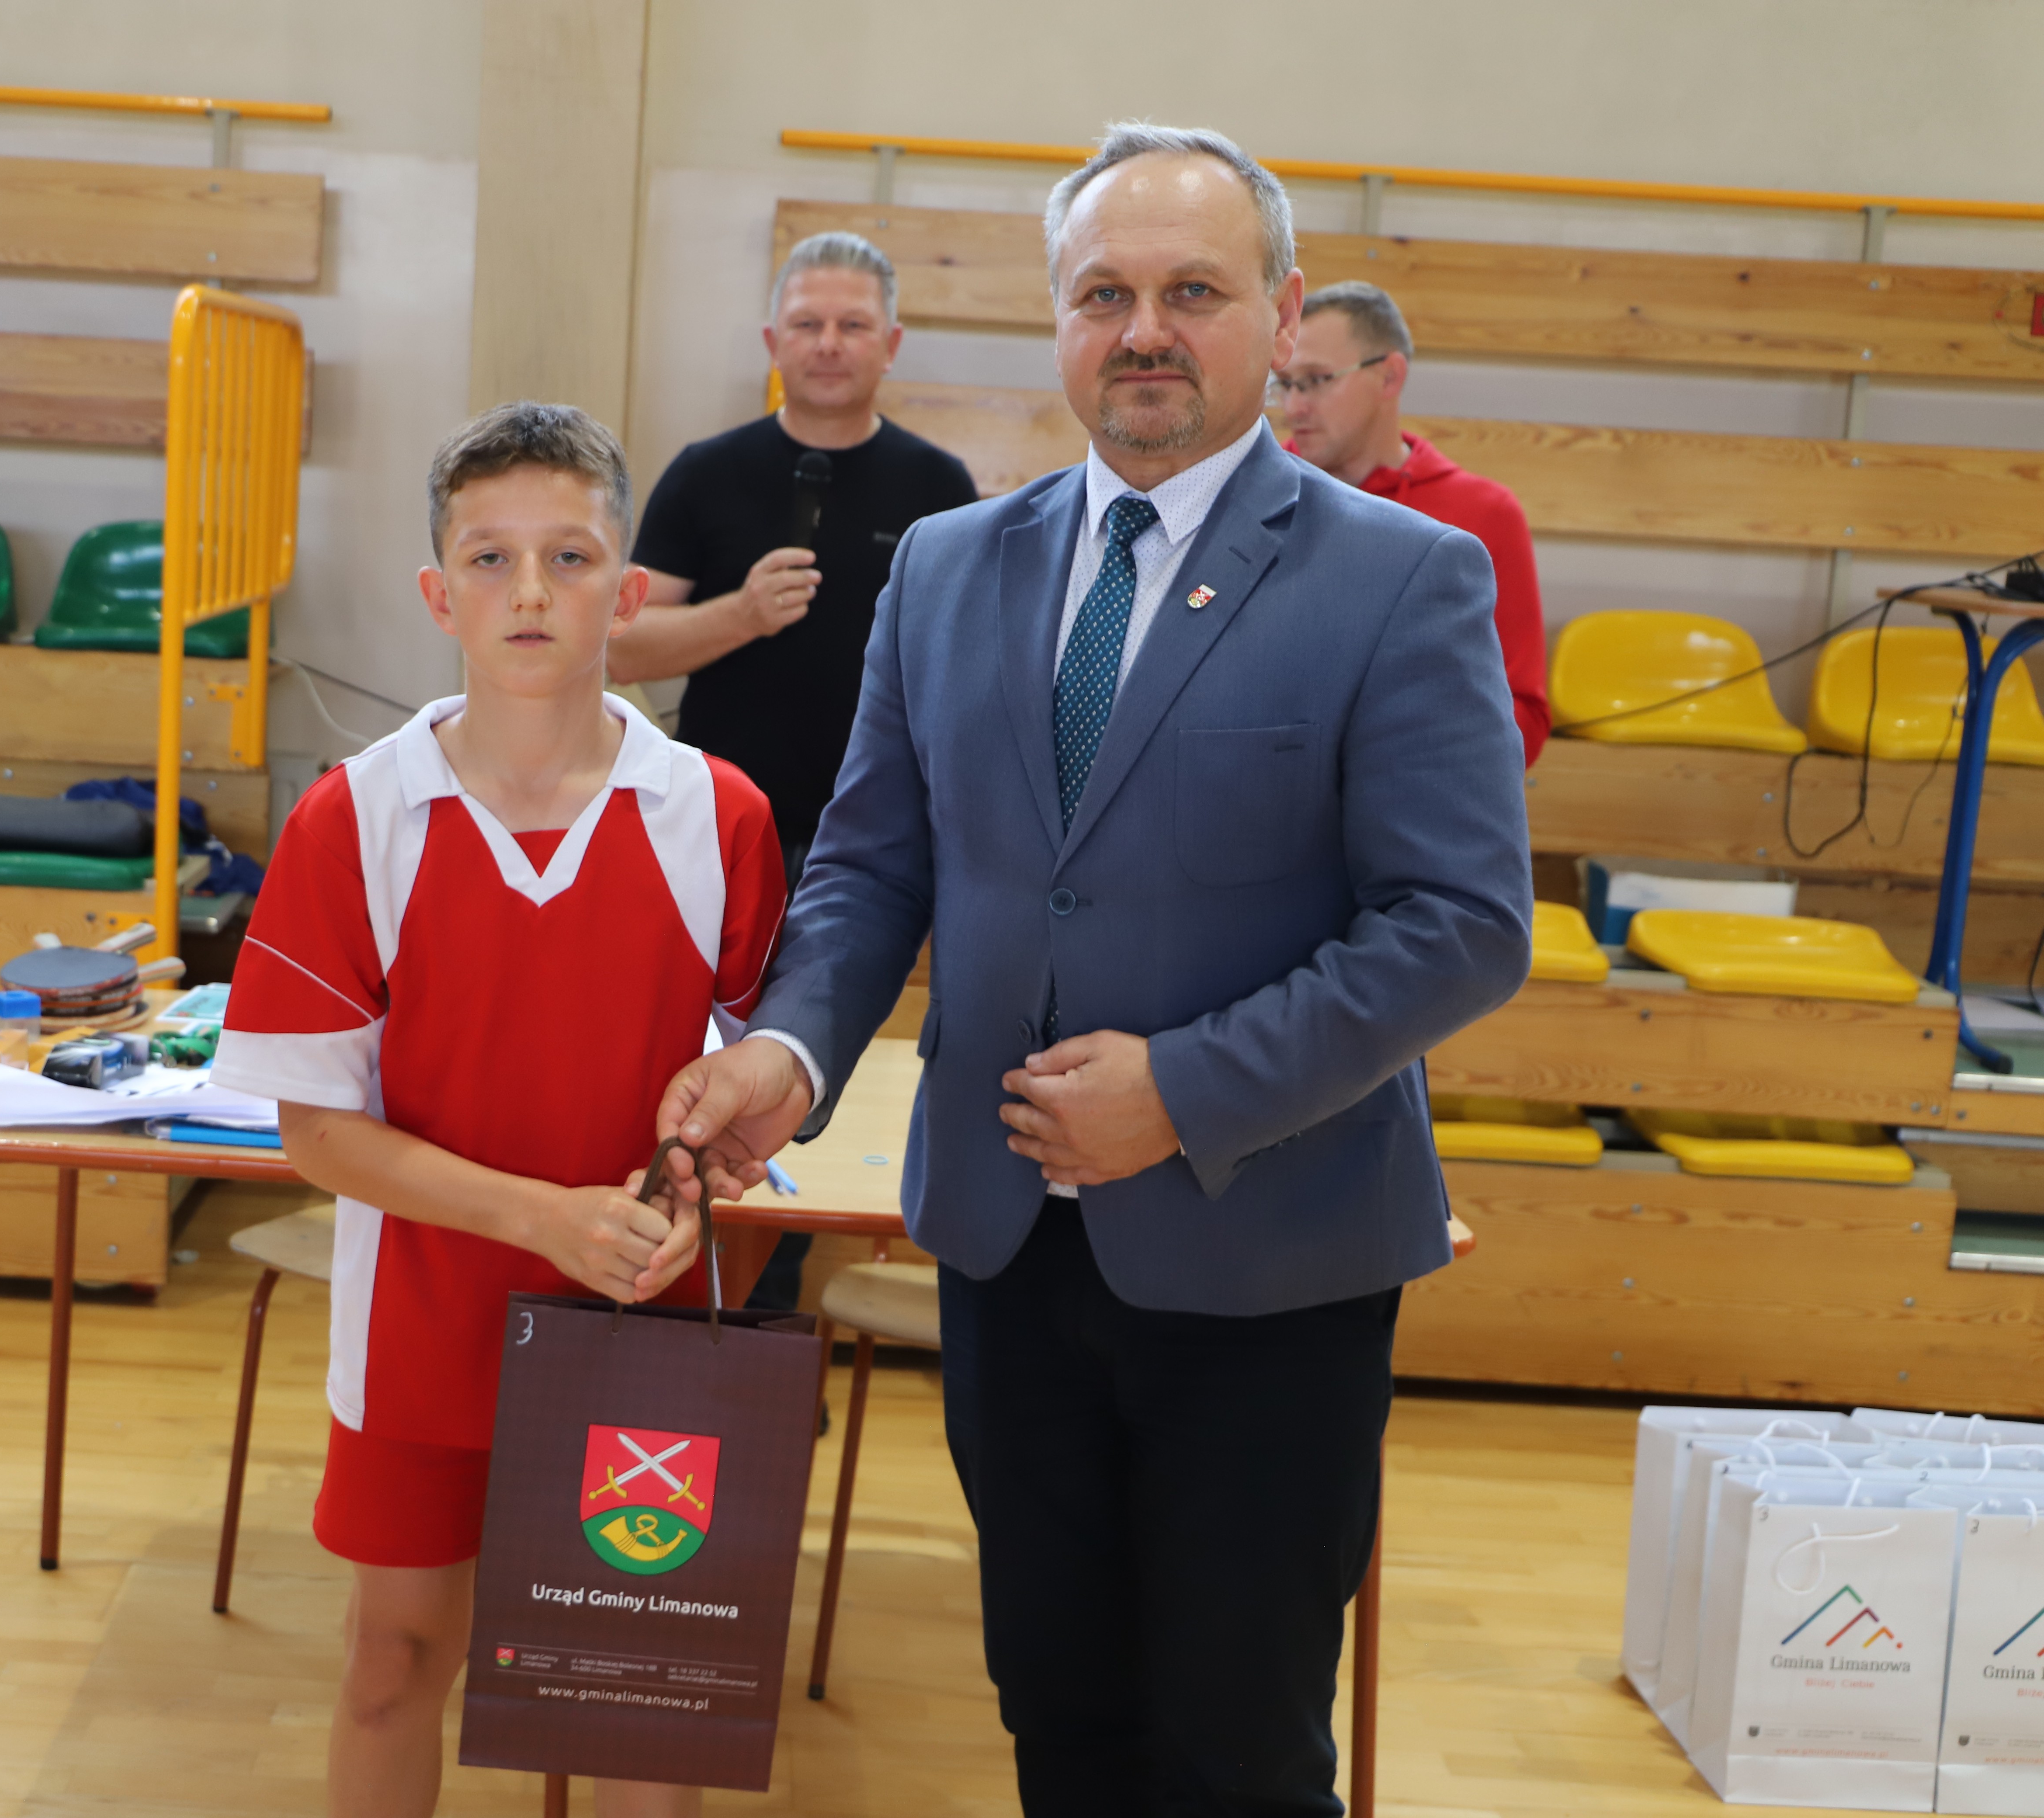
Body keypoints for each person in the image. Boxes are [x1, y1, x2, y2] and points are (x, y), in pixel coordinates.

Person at [652, 124, 1533, 1815]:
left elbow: (1462, 924)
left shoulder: (1405, 577)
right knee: (1059, 1725)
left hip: (1268, 1265)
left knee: (1235, 1754)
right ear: (1056, 318)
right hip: (1007, 1259)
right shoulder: (947, 565)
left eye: (1193, 291)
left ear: (1281, 318)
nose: (1144, 331)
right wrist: (789, 1051)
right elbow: (871, 866)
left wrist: (1184, 1091)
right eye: (1103, 293)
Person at [209, 403, 785, 1818]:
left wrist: (708, 1177)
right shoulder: (353, 817)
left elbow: (750, 1095)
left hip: (641, 1333)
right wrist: (543, 1220)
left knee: (633, 1703)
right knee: (395, 1665)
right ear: (438, 595)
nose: (531, 591)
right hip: (419, 1330)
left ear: (628, 594)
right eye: (490, 559)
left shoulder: (719, 816)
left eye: (570, 556)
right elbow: (314, 1132)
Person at [616, 230, 974, 1312]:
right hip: (717, 829)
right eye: (808, 324)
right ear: (773, 340)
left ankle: (768, 1320)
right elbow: (620, 647)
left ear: (891, 344)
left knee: (812, 1064)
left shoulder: (937, 485)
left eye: (852, 324)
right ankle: (664, 1289)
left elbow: (965, 664)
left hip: (878, 845)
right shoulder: (707, 472)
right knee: (693, 1062)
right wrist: (739, 615)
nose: (828, 344)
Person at [1277, 280, 1550, 764]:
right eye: (1287, 384)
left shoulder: (1485, 513)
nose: (1294, 407)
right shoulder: (1253, 497)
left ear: (1389, 377)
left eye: (1317, 380)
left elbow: (1522, 715)